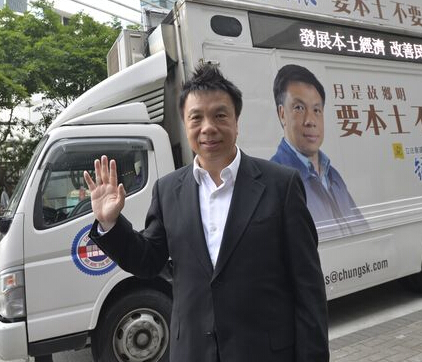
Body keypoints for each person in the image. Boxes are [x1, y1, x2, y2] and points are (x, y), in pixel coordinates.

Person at [85, 64, 329, 362]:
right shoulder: (168, 190)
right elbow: (149, 261)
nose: (208, 127)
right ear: (185, 124)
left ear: (236, 122)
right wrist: (110, 223)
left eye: (220, 115)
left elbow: (308, 286)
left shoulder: (281, 185)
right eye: (196, 117)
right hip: (193, 352)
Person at [270, 64, 368, 237]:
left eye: (317, 110)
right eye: (299, 108)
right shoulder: (275, 180)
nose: (310, 120)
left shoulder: (332, 175)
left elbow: (364, 232)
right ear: (282, 114)